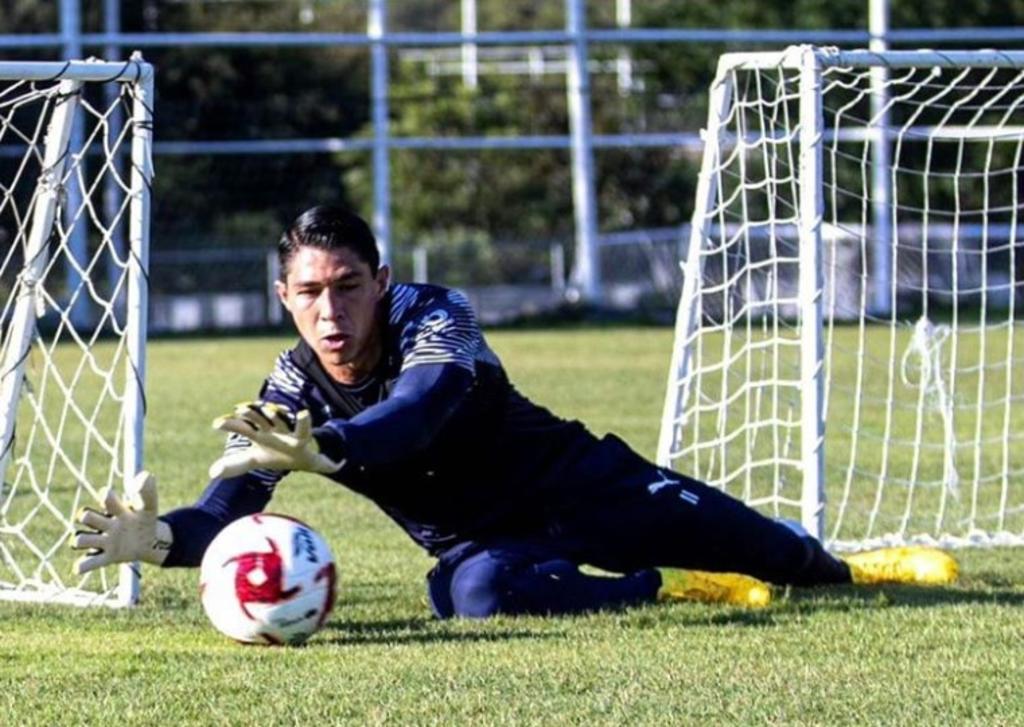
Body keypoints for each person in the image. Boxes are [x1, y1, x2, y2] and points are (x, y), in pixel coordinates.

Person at [71, 205, 959, 618]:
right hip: (480, 543)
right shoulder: (289, 393)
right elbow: (228, 514)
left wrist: (329, 450)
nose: (331, 312)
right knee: (479, 597)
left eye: (349, 286)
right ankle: (667, 586)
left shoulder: (436, 317)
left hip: (578, 482)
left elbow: (418, 413)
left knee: (780, 556)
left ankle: (856, 568)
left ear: (382, 281)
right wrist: (156, 541)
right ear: (283, 297)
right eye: (310, 293)